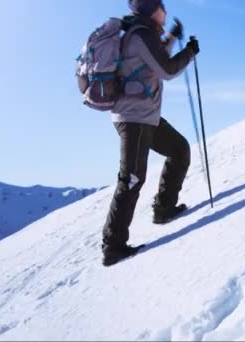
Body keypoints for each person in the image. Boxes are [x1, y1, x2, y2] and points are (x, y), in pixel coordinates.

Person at [101, 0, 200, 266]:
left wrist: (171, 37)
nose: (165, 11)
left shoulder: (142, 33)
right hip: (134, 118)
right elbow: (166, 69)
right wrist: (189, 52)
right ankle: (113, 247)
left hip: (145, 116)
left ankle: (164, 208)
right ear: (149, 10)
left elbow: (155, 58)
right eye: (160, 6)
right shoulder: (141, 34)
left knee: (179, 150)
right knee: (132, 179)